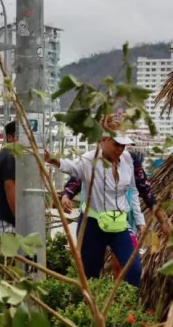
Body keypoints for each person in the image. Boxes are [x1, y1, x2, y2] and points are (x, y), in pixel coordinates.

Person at [45, 121, 144, 286]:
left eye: (123, 145)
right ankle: (93, 308)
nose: (120, 149)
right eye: (117, 144)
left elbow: (133, 191)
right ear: (103, 141)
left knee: (134, 269)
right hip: (92, 225)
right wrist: (53, 160)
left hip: (119, 224)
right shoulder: (88, 160)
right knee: (90, 276)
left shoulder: (127, 160)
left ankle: (128, 308)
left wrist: (140, 221)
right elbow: (72, 168)